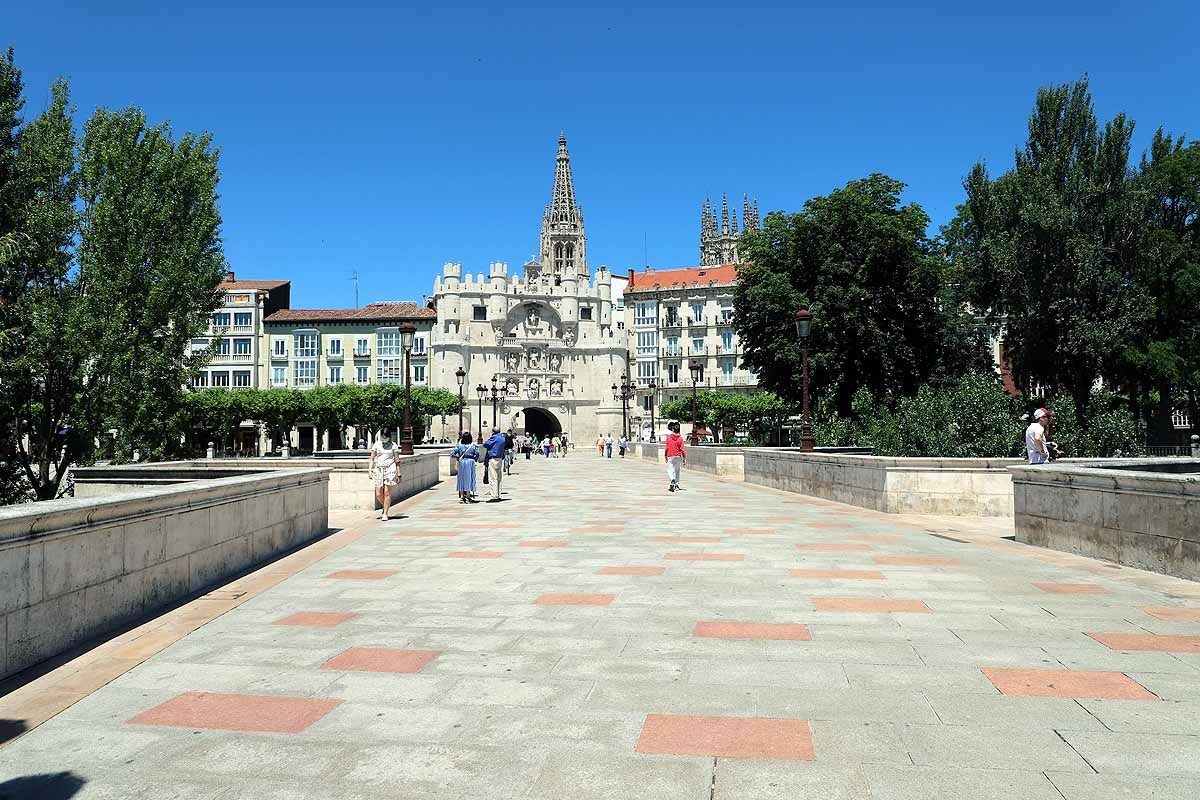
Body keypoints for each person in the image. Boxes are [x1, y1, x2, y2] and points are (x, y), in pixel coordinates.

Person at [368, 428, 400, 520]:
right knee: (378, 493)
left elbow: (397, 460)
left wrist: (398, 473)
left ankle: (385, 513)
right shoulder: (377, 444)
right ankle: (386, 505)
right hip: (378, 469)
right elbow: (372, 458)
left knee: (386, 492)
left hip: (390, 468)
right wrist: (370, 470)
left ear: (390, 437)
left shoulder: (394, 446)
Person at [451, 432, 479, 503]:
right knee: (469, 478)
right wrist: (474, 459)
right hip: (470, 462)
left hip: (462, 462)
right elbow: (477, 454)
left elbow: (452, 453)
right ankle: (468, 496)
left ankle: (462, 496)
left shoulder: (459, 446)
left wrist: (458, 457)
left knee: (461, 478)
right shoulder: (473, 446)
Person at [482, 427, 507, 501]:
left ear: (493, 431)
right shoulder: (502, 438)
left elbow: (485, 444)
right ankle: (498, 494)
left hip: (493, 458)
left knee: (493, 477)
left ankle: (494, 496)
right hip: (500, 458)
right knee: (499, 477)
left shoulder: (494, 437)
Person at [665, 421, 686, 492]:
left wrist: (665, 455)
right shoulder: (680, 438)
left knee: (670, 470)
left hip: (670, 456)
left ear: (673, 429)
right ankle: (677, 484)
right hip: (678, 456)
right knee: (677, 471)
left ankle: (672, 480)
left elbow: (667, 448)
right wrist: (684, 458)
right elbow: (682, 449)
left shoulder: (668, 438)